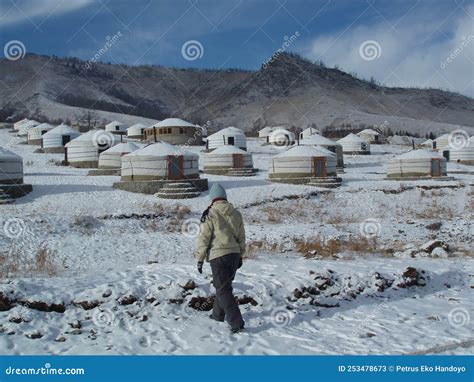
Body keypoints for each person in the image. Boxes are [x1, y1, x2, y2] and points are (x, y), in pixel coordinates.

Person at [196, 183, 246, 333]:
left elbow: (204, 237)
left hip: (218, 255)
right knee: (223, 286)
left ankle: (236, 322)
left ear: (212, 199)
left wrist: (200, 258)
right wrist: (240, 255)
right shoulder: (236, 213)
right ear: (225, 197)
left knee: (223, 289)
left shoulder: (210, 213)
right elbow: (241, 236)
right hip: (234, 255)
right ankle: (217, 315)